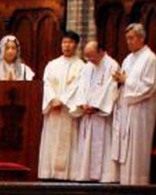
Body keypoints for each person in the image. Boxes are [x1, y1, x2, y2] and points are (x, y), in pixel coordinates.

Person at [110, 23, 156, 186]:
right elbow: (123, 81)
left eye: (131, 38)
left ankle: (138, 186)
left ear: (141, 38)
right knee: (125, 150)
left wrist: (126, 80)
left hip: (140, 112)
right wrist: (119, 82)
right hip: (126, 109)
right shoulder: (128, 59)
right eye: (127, 39)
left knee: (136, 150)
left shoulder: (150, 59)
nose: (128, 42)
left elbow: (148, 86)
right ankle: (124, 185)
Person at [38, 30, 85, 180]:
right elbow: (46, 84)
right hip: (53, 110)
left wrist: (63, 100)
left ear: (76, 45)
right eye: (64, 42)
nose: (67, 45)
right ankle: (49, 174)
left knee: (69, 142)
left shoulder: (81, 66)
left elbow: (78, 86)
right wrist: (52, 99)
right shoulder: (52, 65)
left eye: (70, 42)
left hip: (67, 111)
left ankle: (68, 175)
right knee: (51, 141)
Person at [73, 40, 119, 183]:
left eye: (92, 56)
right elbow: (81, 86)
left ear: (101, 52)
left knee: (103, 145)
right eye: (87, 57)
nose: (89, 60)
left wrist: (96, 106)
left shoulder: (112, 65)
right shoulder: (88, 67)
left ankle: (105, 176)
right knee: (86, 145)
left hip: (101, 115)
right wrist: (82, 104)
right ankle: (86, 175)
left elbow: (111, 88)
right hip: (88, 113)